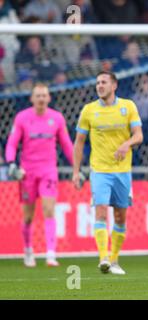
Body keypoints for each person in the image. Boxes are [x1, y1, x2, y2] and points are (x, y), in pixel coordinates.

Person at [72, 71, 143, 275]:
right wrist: (76, 171)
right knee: (101, 211)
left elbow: (139, 135)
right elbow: (79, 142)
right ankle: (103, 257)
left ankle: (114, 260)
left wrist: (126, 144)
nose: (99, 86)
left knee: (120, 217)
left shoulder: (127, 106)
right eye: (97, 83)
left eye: (104, 82)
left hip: (122, 171)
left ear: (114, 85)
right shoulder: (89, 110)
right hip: (100, 170)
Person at [5, 83, 73, 267]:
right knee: (28, 216)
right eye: (38, 95)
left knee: (49, 210)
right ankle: (28, 250)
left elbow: (67, 145)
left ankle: (51, 254)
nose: (41, 99)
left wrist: (77, 166)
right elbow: (12, 144)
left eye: (44, 95)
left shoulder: (57, 118)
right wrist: (11, 163)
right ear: (32, 98)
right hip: (27, 172)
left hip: (48, 170)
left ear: (49, 98)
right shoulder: (22, 118)